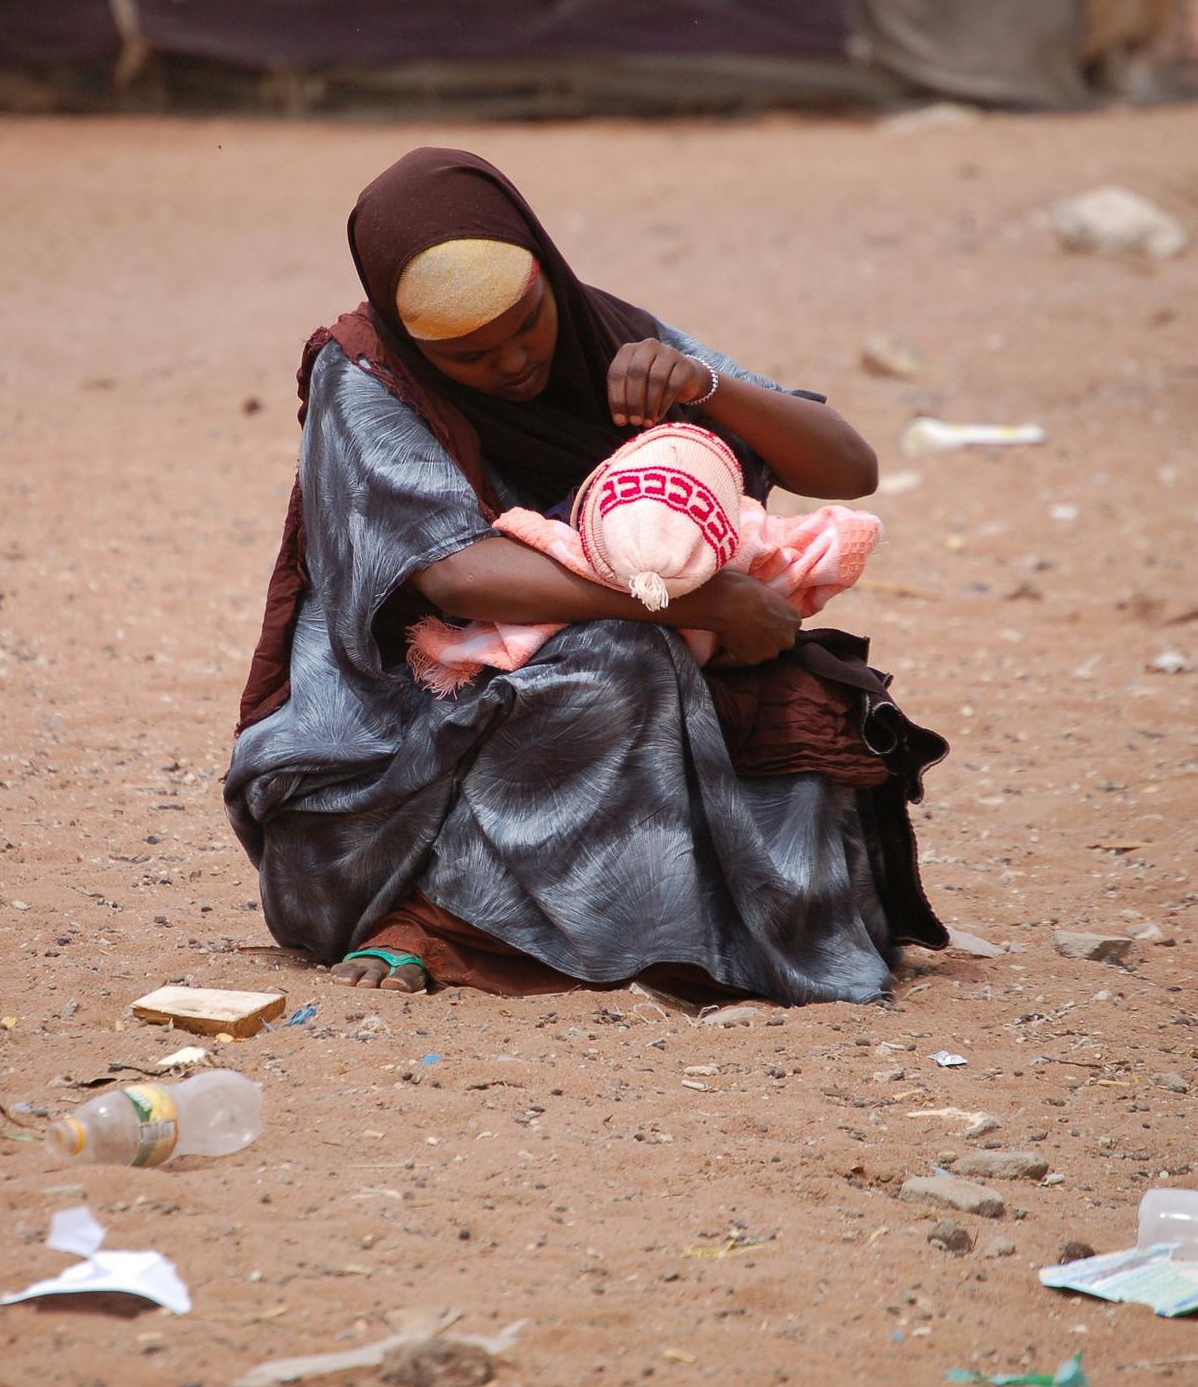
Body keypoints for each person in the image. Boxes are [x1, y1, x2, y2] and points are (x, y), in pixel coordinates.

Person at [225, 147, 947, 1005]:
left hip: (644, 633)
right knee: (617, 663)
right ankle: (445, 920)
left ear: (547, 278)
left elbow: (848, 466)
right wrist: (689, 597)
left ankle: (673, 933)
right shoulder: (367, 377)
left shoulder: (604, 330)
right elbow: (453, 576)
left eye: (528, 325)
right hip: (406, 725)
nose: (513, 364)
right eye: (469, 355)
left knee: (791, 707)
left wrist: (707, 387)